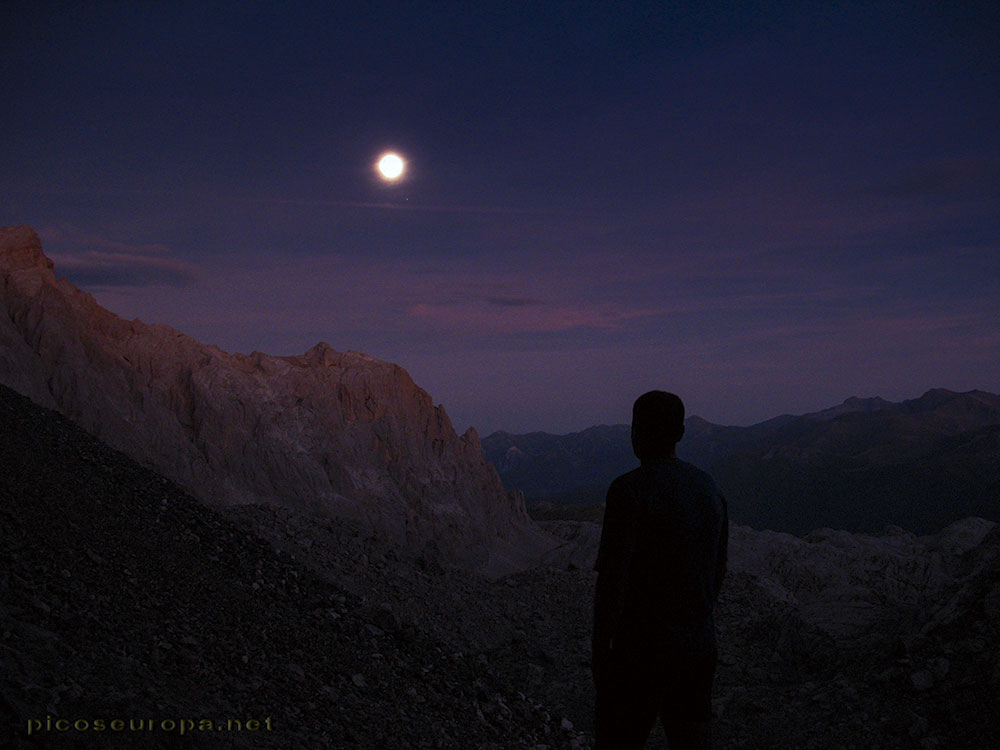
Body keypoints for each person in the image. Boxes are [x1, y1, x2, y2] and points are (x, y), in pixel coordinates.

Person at [592, 391, 728, 749]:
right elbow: (717, 569)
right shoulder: (708, 488)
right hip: (697, 647)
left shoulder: (628, 490)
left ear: (638, 432)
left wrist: (600, 653)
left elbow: (611, 580)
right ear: (679, 433)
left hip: (640, 650)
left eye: (637, 426)